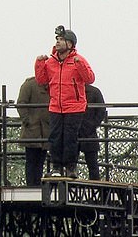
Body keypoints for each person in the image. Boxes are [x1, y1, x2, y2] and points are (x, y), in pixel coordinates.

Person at [35, 25, 95, 178]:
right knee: (55, 137)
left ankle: (70, 167)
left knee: (70, 138)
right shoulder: (50, 62)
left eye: (61, 39)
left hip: (74, 107)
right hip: (56, 106)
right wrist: (39, 64)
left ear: (70, 44)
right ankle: (56, 167)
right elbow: (41, 80)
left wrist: (79, 65)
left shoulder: (79, 60)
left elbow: (90, 79)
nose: (58, 42)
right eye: (57, 39)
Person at [16, 76, 50, 186]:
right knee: (31, 160)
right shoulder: (29, 84)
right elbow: (21, 103)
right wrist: (28, 121)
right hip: (33, 129)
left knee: (40, 161)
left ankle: (37, 184)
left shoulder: (52, 83)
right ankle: (31, 185)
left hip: (45, 130)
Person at [79, 84, 107, 180]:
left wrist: (92, 124)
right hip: (88, 131)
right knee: (92, 163)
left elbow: (101, 110)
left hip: (81, 130)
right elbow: (102, 110)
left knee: (91, 163)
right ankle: (95, 185)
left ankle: (94, 183)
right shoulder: (94, 91)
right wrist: (93, 124)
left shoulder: (94, 92)